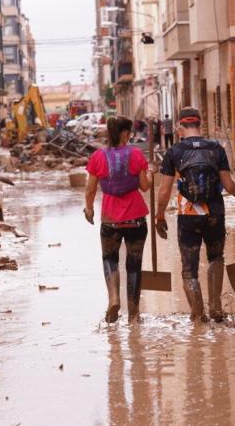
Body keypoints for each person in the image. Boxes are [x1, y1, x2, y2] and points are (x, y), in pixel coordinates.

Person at [154, 107, 235, 324]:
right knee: (216, 257)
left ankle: (197, 314)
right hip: (215, 213)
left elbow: (165, 190)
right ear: (200, 124)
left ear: (179, 127)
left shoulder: (174, 152)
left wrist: (159, 216)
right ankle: (216, 309)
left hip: (188, 215)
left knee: (189, 268)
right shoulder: (216, 149)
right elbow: (229, 186)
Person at [85, 116, 153, 323]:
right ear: (125, 133)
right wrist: (149, 174)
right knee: (134, 264)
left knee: (110, 259)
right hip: (136, 219)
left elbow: (90, 188)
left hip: (110, 218)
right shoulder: (136, 154)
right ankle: (134, 313)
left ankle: (114, 299)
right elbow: (144, 186)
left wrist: (89, 209)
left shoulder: (97, 157)